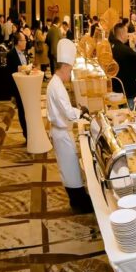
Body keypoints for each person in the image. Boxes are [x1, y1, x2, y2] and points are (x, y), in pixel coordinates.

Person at [44, 39, 94, 213]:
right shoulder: (57, 86)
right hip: (61, 133)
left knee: (70, 167)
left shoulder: (56, 83)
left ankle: (79, 198)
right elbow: (66, 111)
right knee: (70, 169)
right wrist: (81, 113)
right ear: (65, 67)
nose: (70, 74)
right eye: (70, 70)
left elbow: (65, 107)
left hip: (61, 131)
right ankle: (78, 202)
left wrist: (78, 110)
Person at [110, 23, 136, 108]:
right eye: (127, 32)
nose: (128, 35)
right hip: (127, 89)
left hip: (115, 87)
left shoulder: (111, 46)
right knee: (129, 114)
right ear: (122, 34)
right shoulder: (125, 50)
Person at [6, 32, 29, 139]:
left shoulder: (23, 53)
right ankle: (26, 134)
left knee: (27, 110)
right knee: (22, 111)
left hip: (26, 86)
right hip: (17, 88)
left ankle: (30, 131)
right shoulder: (11, 54)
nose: (26, 42)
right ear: (18, 42)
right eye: (24, 40)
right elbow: (10, 73)